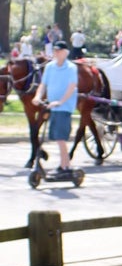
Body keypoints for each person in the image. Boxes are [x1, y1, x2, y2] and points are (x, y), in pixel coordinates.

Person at [33, 38, 78, 174]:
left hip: (64, 107)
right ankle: (64, 166)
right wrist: (38, 96)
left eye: (59, 51)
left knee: (60, 137)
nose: (56, 53)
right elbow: (43, 84)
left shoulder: (71, 68)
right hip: (52, 106)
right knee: (57, 138)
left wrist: (61, 101)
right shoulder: (50, 67)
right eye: (55, 50)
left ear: (65, 53)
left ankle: (66, 167)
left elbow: (72, 87)